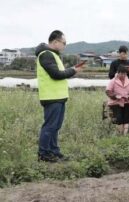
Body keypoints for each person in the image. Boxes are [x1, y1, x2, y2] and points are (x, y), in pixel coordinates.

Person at [35, 30, 86, 162]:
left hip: (58, 96)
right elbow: (56, 74)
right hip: (51, 97)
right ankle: (44, 154)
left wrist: (72, 70)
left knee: (55, 126)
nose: (64, 46)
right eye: (64, 43)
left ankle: (54, 151)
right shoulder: (46, 54)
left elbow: (61, 72)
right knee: (50, 126)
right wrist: (73, 70)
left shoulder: (54, 55)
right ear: (55, 41)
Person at [106, 66, 129, 135]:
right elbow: (108, 91)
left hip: (127, 101)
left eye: (124, 74)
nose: (123, 75)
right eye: (121, 74)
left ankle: (125, 135)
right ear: (118, 73)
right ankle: (120, 134)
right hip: (116, 102)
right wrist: (115, 96)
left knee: (127, 119)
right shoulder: (113, 81)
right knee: (119, 119)